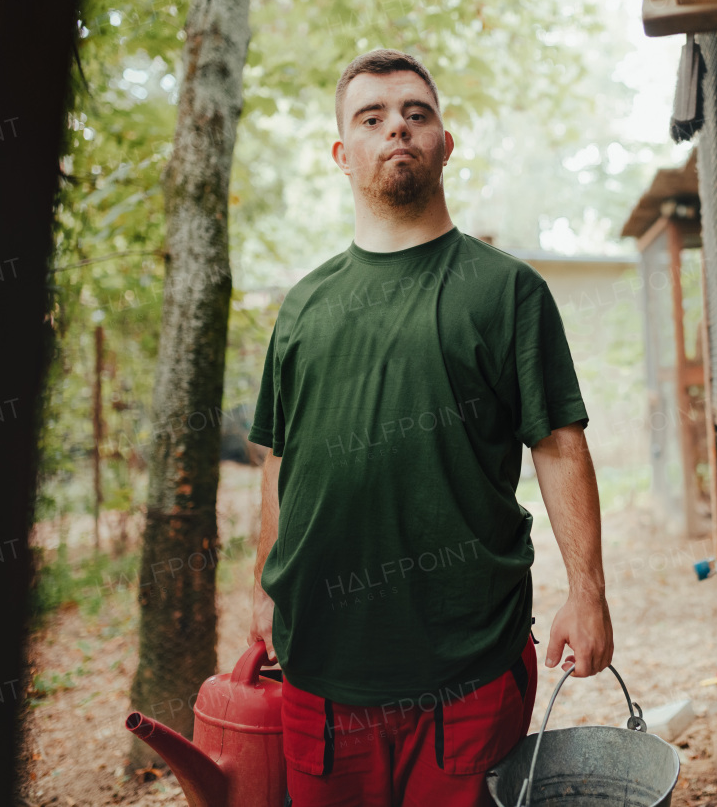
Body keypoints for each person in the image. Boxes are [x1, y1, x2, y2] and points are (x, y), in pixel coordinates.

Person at [246, 48, 613, 807]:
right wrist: (261, 590)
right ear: (344, 154)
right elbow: (280, 462)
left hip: (467, 664)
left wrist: (588, 590)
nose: (399, 130)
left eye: (418, 114)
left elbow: (558, 443)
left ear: (445, 142)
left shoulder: (505, 289)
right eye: (373, 118)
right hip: (321, 670)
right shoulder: (305, 307)